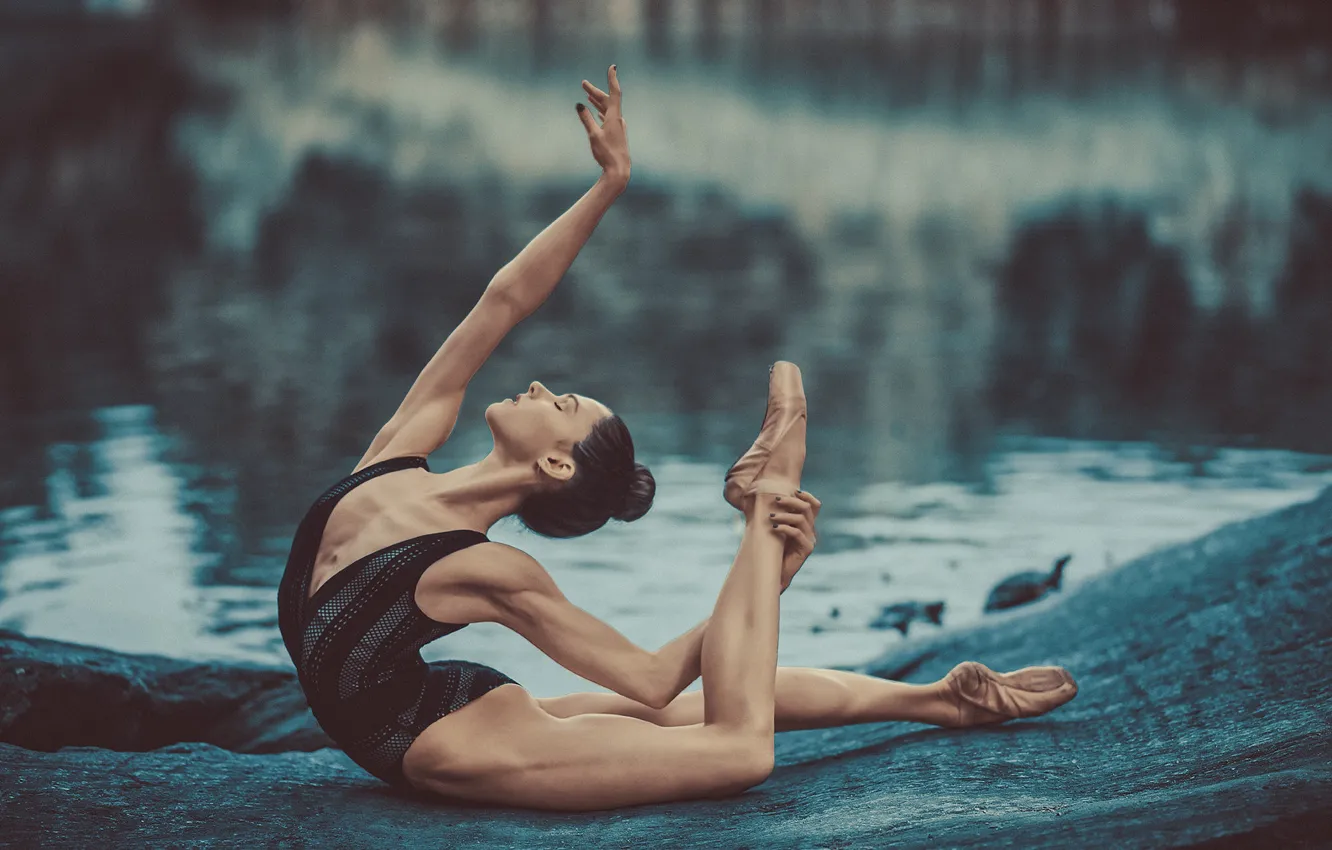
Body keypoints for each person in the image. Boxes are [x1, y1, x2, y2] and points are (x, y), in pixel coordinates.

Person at [276, 66, 1078, 812]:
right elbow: (502, 302)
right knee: (693, 714)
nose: (543, 387)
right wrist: (609, 184)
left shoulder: (483, 567)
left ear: (555, 463)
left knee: (736, 750)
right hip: (443, 701)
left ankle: (771, 514)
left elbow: (651, 679)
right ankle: (935, 700)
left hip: (435, 741)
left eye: (564, 403)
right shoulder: (393, 458)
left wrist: (762, 582)